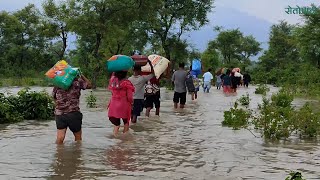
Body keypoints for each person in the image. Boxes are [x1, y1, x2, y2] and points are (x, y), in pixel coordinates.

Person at [53, 74, 92, 144]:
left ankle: (58, 153)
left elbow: (54, 97)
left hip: (60, 114)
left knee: (60, 138)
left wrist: (59, 106)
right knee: (78, 139)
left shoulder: (58, 84)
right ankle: (77, 154)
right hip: (73, 113)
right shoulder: (77, 82)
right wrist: (81, 75)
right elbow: (89, 85)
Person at [107, 71, 135, 136]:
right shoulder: (127, 83)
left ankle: (115, 138)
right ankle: (125, 140)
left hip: (113, 105)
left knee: (116, 124)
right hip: (124, 105)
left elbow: (112, 92)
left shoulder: (113, 82)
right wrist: (132, 103)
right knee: (126, 122)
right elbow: (130, 97)